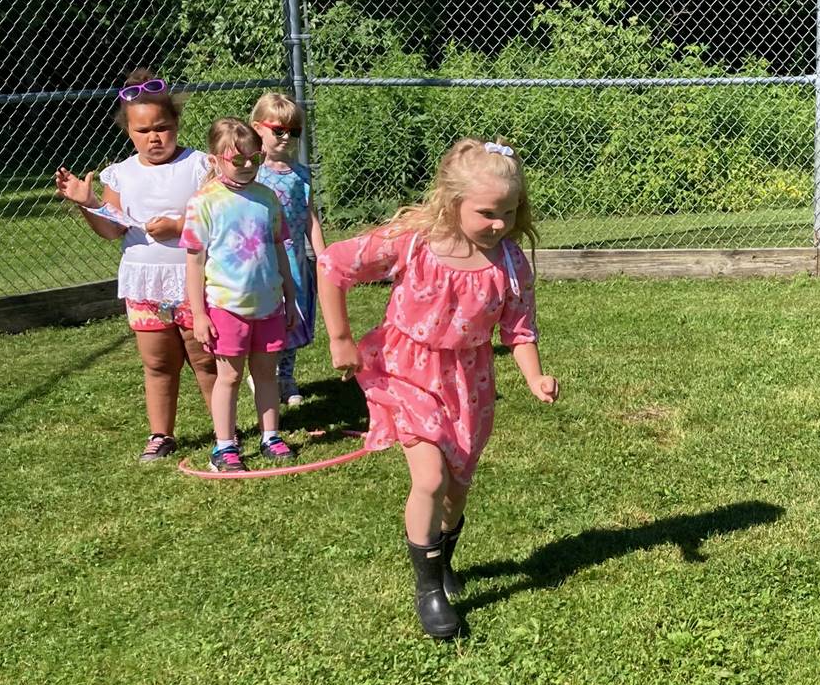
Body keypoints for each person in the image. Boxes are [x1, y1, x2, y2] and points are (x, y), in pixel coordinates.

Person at [318, 138, 559, 641]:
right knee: (428, 479)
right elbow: (333, 265)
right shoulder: (413, 241)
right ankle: (428, 590)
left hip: (469, 382)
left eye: (510, 212)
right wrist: (340, 338)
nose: (501, 224)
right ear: (453, 203)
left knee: (455, 489)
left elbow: (519, 330)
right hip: (407, 370)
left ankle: (443, 557)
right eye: (488, 212)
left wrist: (534, 375)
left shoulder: (511, 263)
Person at [53, 71, 214, 463]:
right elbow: (111, 229)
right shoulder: (121, 175)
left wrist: (179, 226)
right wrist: (87, 203)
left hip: (194, 280)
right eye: (143, 130)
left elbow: (219, 216)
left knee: (205, 360)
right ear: (128, 131)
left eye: (163, 127)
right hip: (144, 284)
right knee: (158, 363)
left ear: (176, 124)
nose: (154, 137)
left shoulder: (198, 165)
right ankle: (161, 434)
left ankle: (224, 431)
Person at [182, 118, 297, 474]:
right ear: (215, 160)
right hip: (227, 307)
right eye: (238, 160)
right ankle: (224, 445)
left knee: (266, 373)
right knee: (229, 377)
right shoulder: (204, 203)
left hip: (268, 303)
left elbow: (279, 250)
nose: (248, 166)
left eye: (255, 159)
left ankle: (271, 436)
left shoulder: (267, 198)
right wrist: (199, 315)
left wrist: (289, 298)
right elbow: (194, 263)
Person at [249, 91, 325, 410]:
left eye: (293, 132)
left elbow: (309, 218)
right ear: (257, 129)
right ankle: (263, 372)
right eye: (278, 130)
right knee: (270, 317)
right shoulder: (251, 173)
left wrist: (323, 258)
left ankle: (286, 377)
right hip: (264, 261)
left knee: (293, 320)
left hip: (295, 261)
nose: (286, 138)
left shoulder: (300, 174)